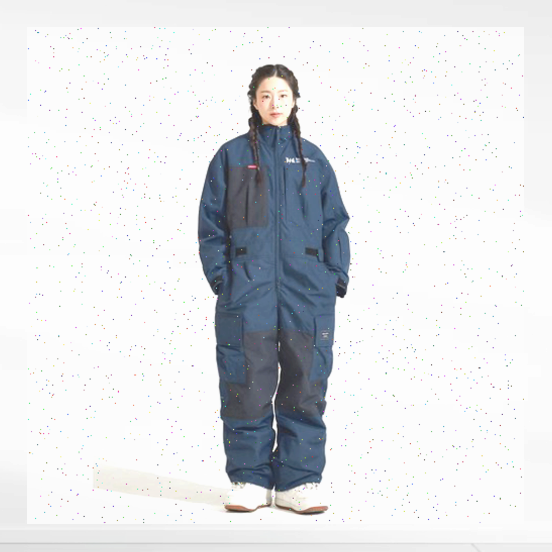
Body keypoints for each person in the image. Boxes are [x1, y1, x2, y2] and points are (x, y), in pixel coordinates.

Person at [197, 64, 350, 515]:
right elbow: (211, 224)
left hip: (307, 292)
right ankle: (249, 479)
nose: (275, 103)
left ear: (294, 100)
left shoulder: (314, 160)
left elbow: (335, 223)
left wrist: (333, 277)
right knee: (245, 382)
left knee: (306, 383)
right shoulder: (231, 156)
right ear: (254, 101)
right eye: (266, 95)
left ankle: (298, 483)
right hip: (248, 291)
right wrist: (223, 279)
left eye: (282, 95)